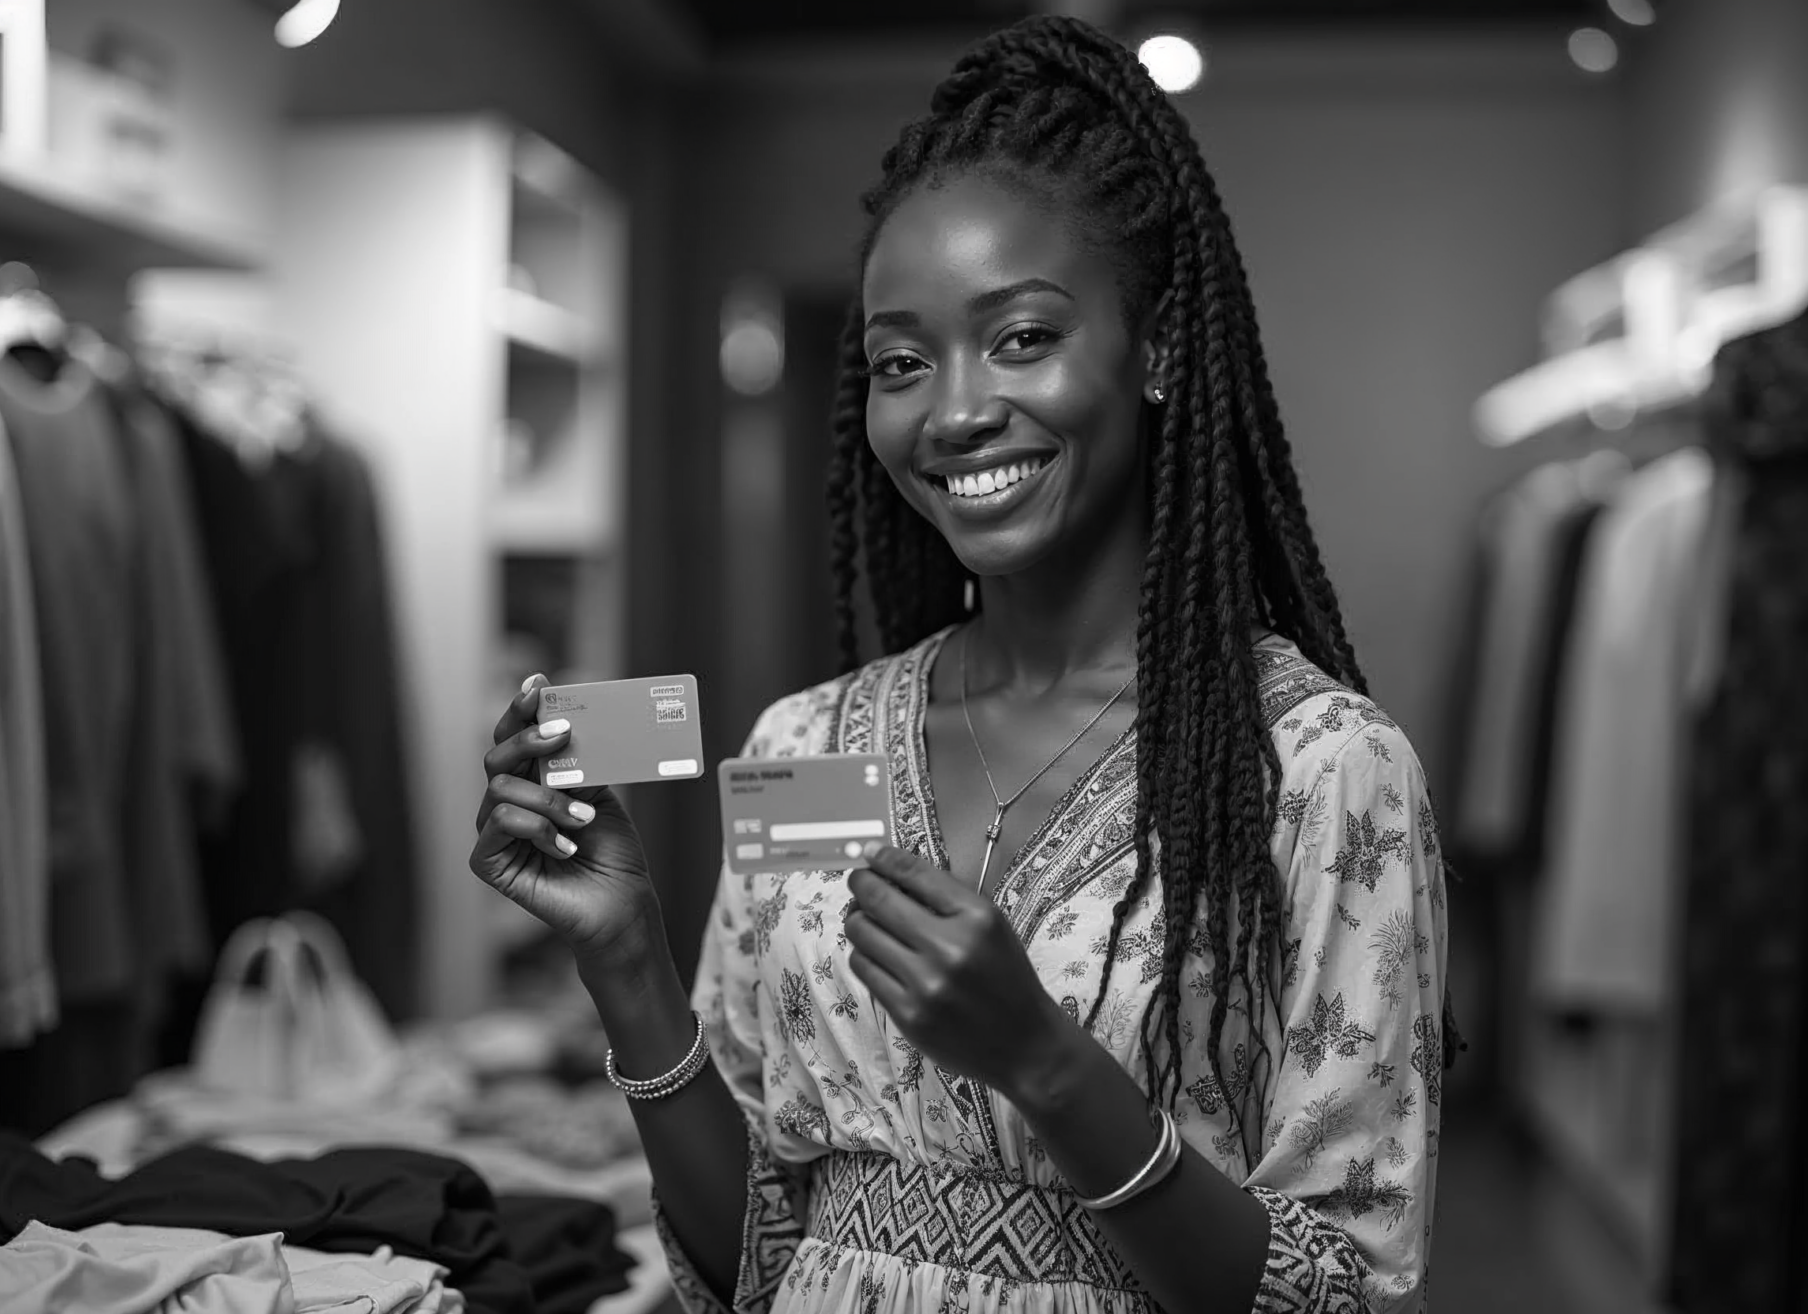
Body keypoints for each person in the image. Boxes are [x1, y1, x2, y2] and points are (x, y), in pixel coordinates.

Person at [471, 15, 1449, 1314]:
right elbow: (748, 1261)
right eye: (900, 361)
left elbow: (1346, 1293)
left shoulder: (1318, 770)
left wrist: (1048, 1064)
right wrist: (628, 960)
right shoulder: (806, 748)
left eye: (1023, 336)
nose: (955, 409)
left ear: (1157, 347)